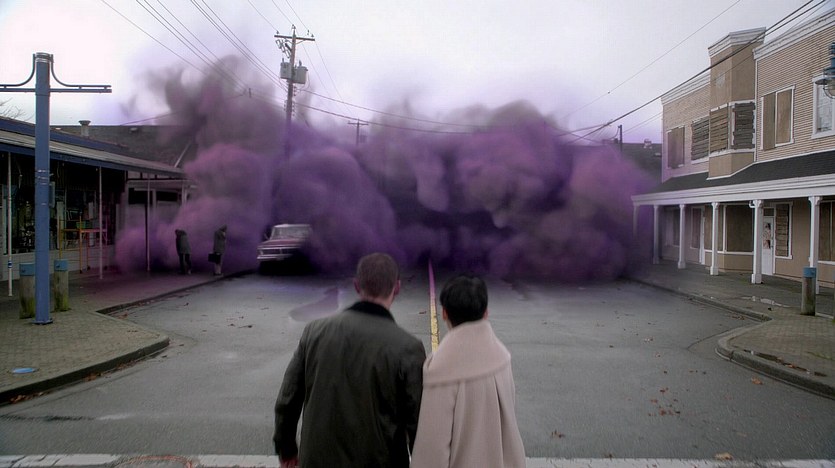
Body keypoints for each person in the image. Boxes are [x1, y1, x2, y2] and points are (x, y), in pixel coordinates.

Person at [273, 252, 426, 468]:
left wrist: (286, 448)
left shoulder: (314, 332)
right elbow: (417, 421)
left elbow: (288, 399)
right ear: (397, 288)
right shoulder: (408, 348)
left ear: (356, 286)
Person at [410, 274, 526, 468]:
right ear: (486, 313)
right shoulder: (502, 358)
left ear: (444, 313)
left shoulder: (441, 369)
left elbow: (432, 449)